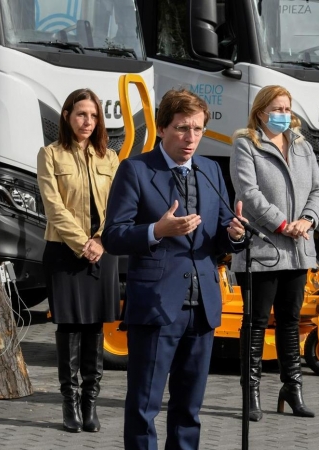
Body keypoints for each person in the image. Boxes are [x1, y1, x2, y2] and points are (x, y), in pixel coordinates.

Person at [102, 88, 248, 450]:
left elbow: (220, 234)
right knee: (143, 406)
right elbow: (114, 236)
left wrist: (236, 234)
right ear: (163, 128)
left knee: (189, 408)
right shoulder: (136, 169)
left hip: (203, 308)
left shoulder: (211, 169)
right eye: (183, 128)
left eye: (197, 129)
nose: (191, 138)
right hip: (155, 306)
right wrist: (156, 231)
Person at [230, 85, 319, 421]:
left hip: (299, 249)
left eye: (286, 108)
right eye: (276, 108)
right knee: (256, 322)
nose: (283, 114)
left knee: (290, 321)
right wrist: (282, 223)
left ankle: (292, 388)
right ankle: (251, 392)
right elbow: (249, 193)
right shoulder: (246, 144)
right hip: (263, 249)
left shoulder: (302, 146)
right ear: (260, 112)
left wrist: (307, 220)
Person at [37, 88, 120, 433]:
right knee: (69, 327)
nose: (88, 121)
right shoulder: (51, 155)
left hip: (102, 251)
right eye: (81, 114)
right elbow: (53, 207)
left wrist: (99, 240)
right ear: (68, 116)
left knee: (95, 327)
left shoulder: (109, 158)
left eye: (94, 115)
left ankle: (90, 404)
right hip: (65, 252)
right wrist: (82, 243)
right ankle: (69, 404)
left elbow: (119, 205)